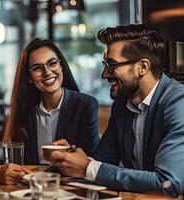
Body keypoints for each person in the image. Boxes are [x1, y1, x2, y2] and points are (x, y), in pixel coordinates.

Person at [51, 24, 184, 197]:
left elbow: (168, 183)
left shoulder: (178, 103)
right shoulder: (122, 105)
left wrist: (88, 167)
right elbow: (101, 163)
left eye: (112, 65)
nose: (104, 74)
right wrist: (72, 158)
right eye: (105, 64)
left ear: (142, 67)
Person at [0, 38, 100, 184]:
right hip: (31, 187)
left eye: (52, 63)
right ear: (29, 78)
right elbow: (17, 163)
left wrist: (70, 153)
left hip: (72, 187)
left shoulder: (86, 105)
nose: (47, 72)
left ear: (61, 66)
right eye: (38, 68)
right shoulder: (24, 110)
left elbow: (93, 160)